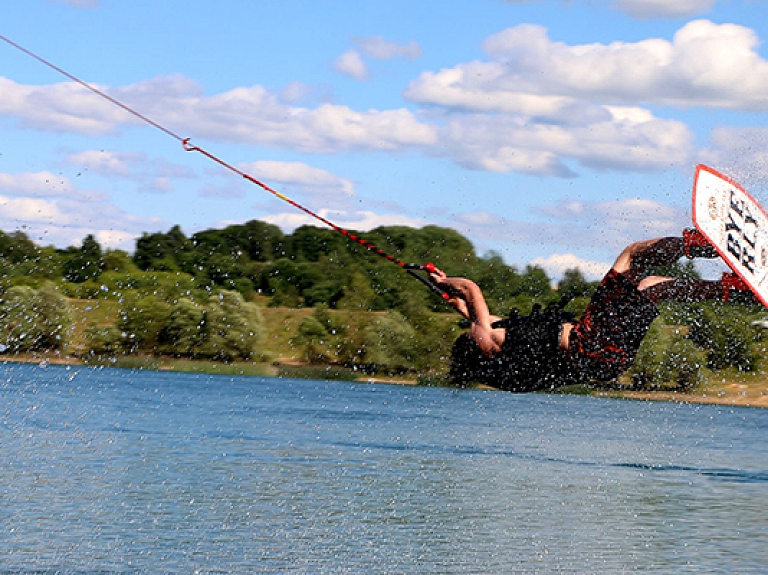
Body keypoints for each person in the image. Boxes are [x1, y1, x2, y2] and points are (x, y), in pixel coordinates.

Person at [429, 229, 758, 392]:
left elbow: (481, 316)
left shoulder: (500, 364)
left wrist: (454, 300)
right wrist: (450, 284)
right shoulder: (485, 335)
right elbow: (471, 288)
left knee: (652, 288)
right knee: (632, 257)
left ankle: (733, 292)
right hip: (590, 340)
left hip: (606, 363)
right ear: (472, 342)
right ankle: (702, 245)